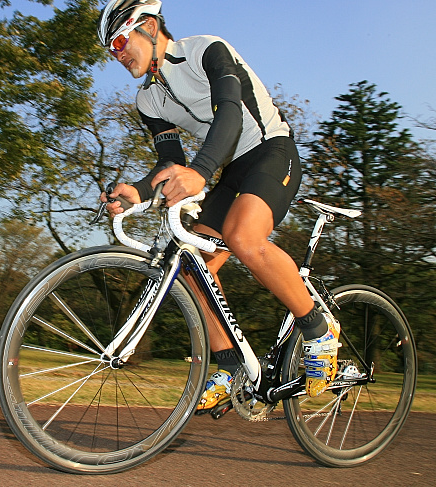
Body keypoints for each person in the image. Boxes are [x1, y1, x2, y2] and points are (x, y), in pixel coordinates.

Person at [96, 0, 340, 409]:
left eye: (121, 40)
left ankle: (318, 329)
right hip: (229, 169)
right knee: (192, 269)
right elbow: (169, 161)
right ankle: (229, 364)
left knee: (243, 238)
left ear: (150, 26)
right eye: (111, 50)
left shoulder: (206, 50)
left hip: (271, 150)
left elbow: (229, 111)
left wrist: (202, 171)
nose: (118, 54)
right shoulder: (147, 101)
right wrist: (138, 190)